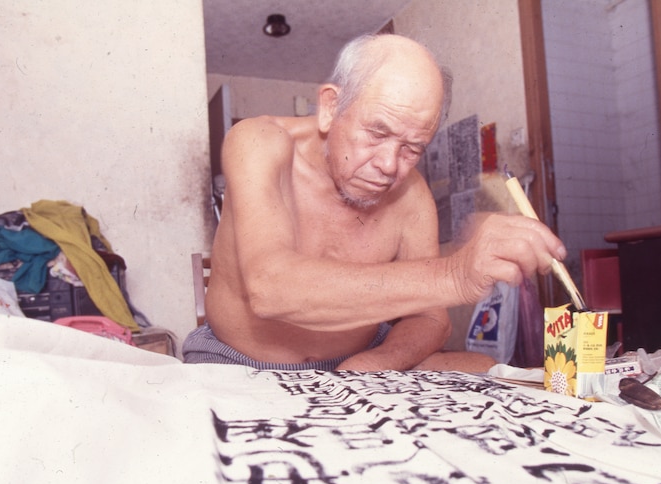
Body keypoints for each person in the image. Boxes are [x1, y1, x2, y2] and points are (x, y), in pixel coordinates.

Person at [183, 33, 566, 372]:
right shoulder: (259, 142)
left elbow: (432, 320)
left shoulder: (412, 196)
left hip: (357, 360)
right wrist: (455, 275)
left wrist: (375, 362)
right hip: (237, 360)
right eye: (377, 132)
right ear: (331, 107)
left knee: (486, 368)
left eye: (412, 148)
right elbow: (270, 288)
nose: (388, 166)